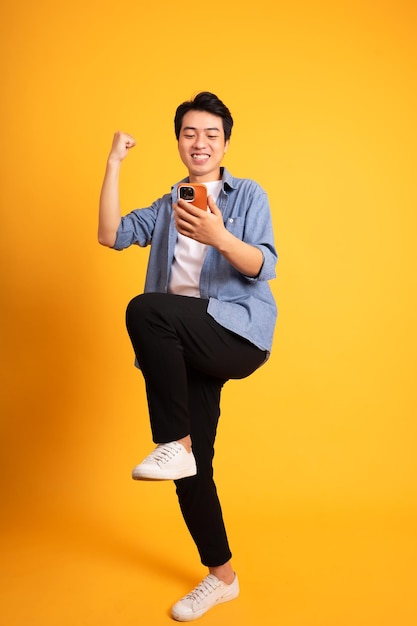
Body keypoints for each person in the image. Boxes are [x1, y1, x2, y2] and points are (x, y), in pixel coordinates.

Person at [98, 92, 277, 621]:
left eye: (211, 135)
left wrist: (219, 235)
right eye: (189, 134)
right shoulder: (169, 202)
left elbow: (261, 265)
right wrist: (113, 163)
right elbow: (109, 235)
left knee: (145, 310)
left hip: (236, 333)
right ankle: (222, 577)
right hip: (183, 346)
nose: (199, 143)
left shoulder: (247, 195)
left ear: (225, 143)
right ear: (179, 141)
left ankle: (172, 441)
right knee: (193, 472)